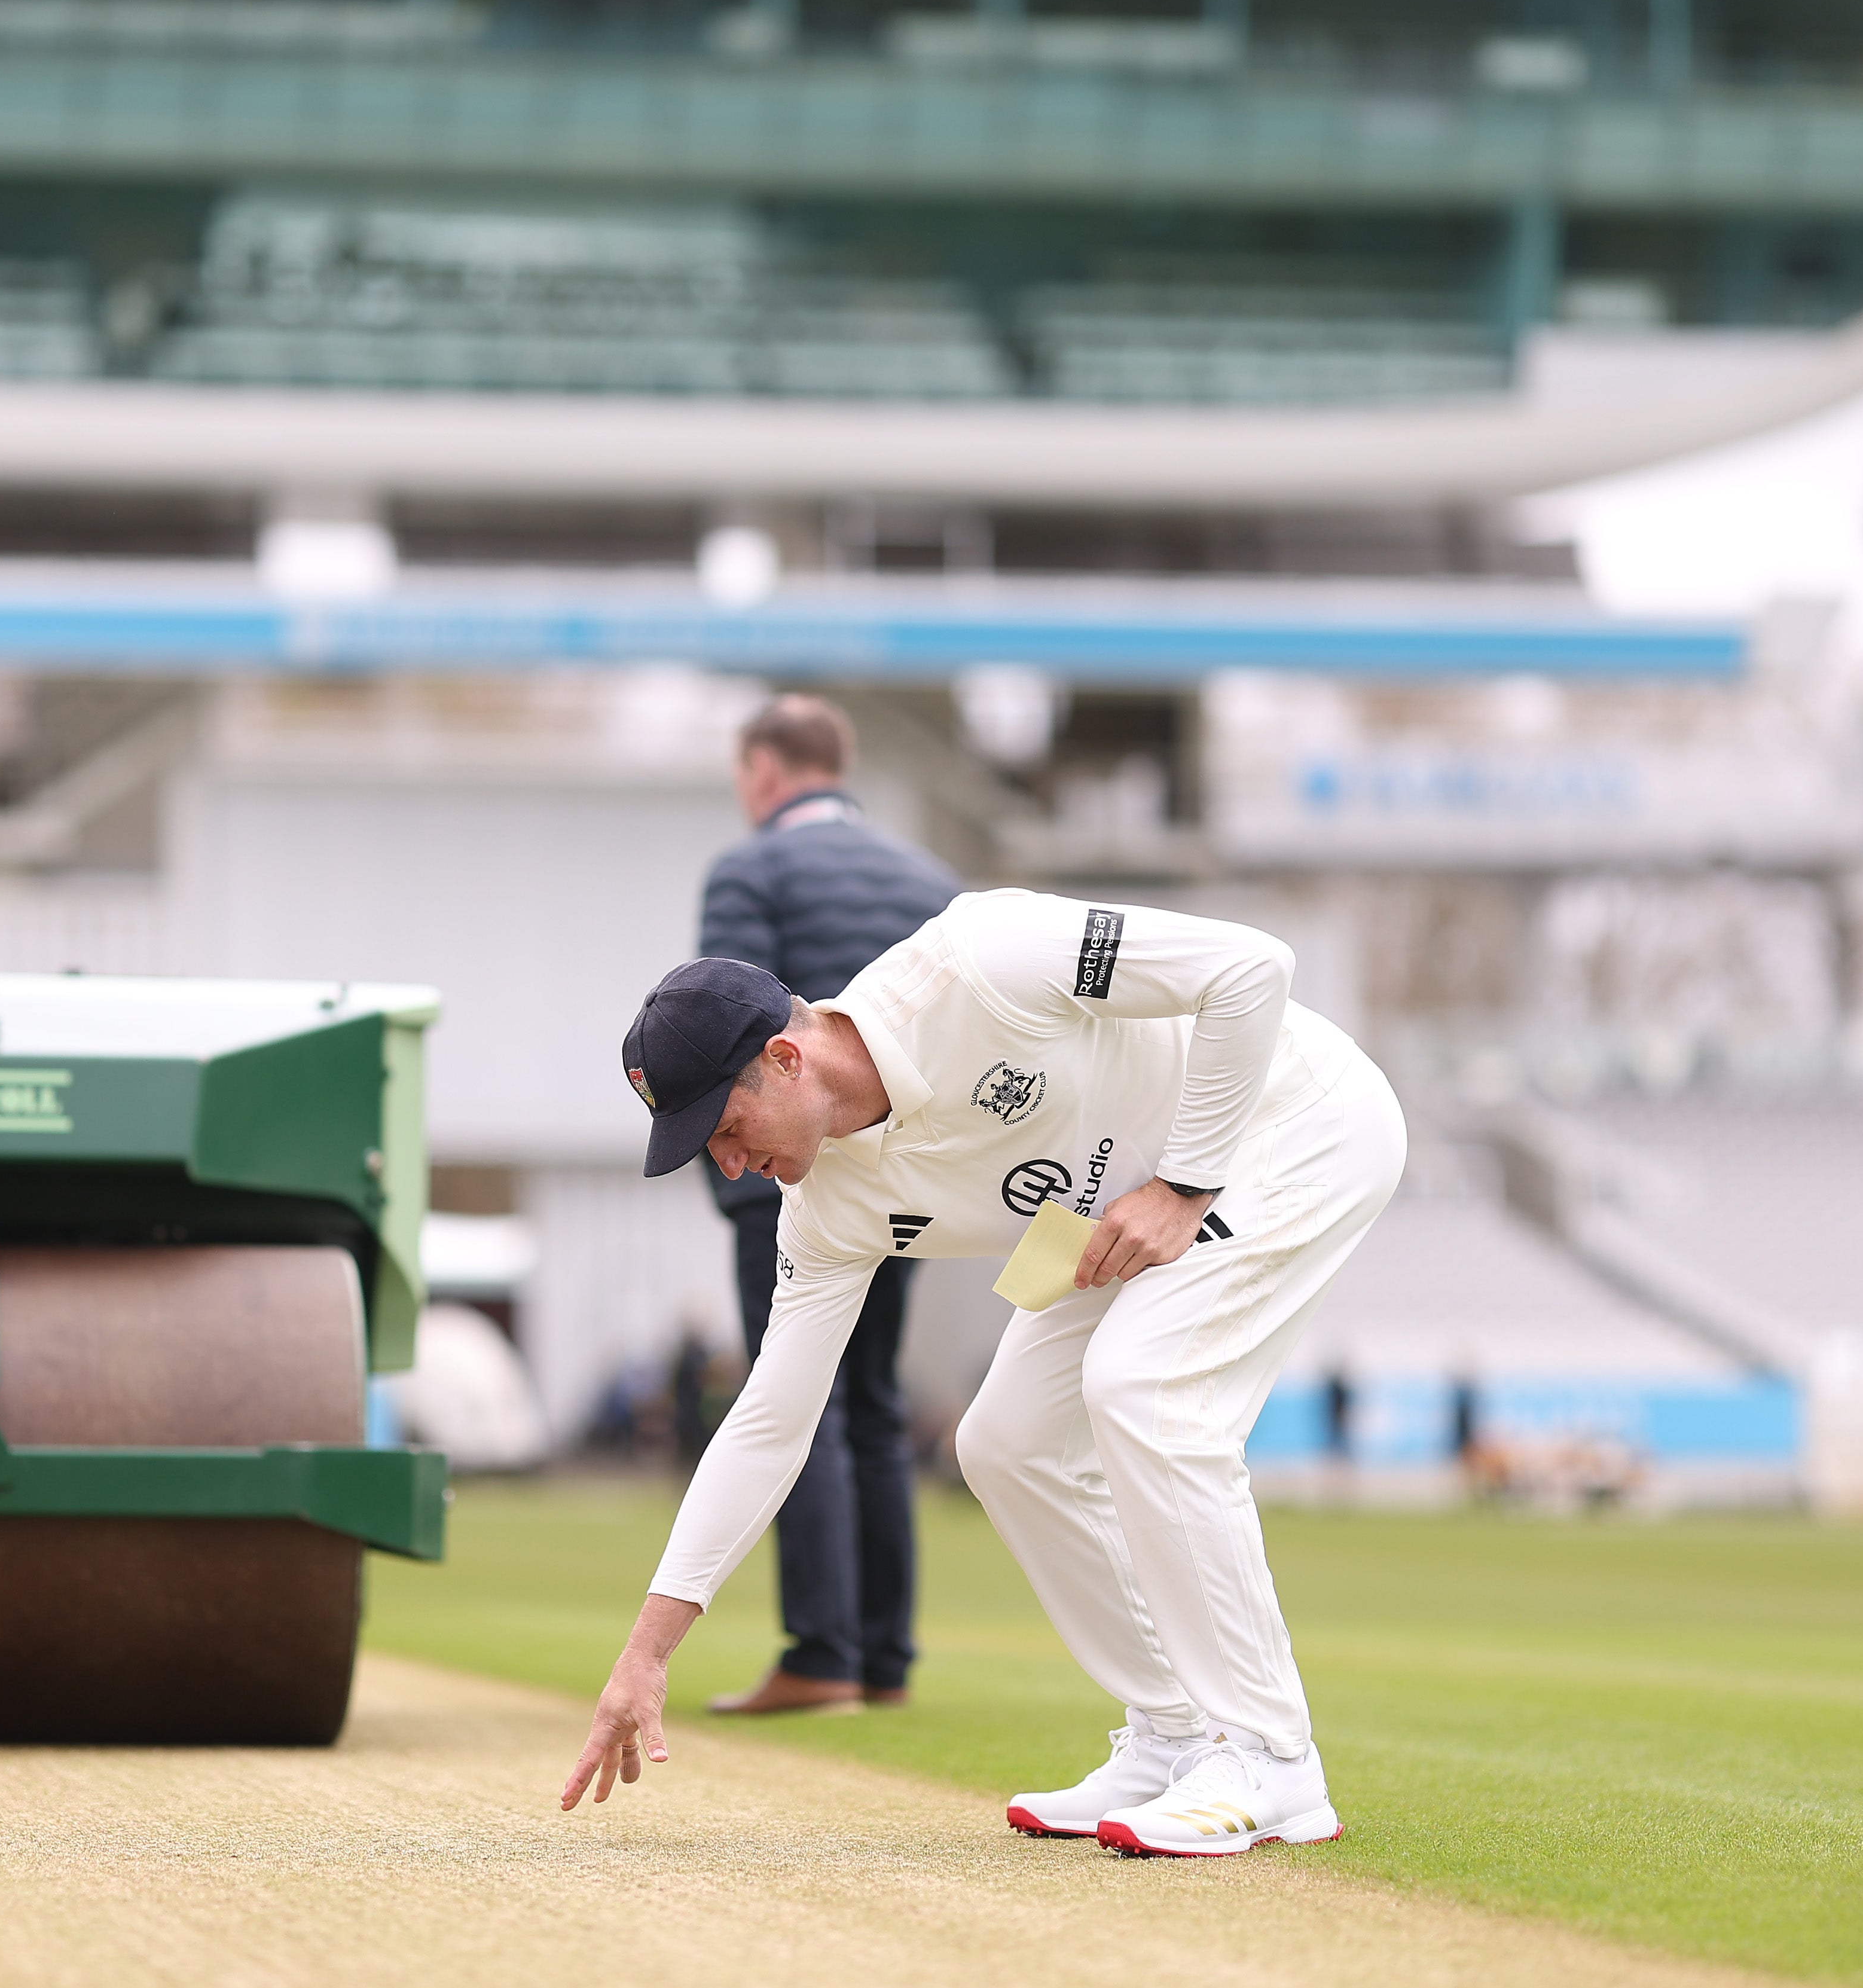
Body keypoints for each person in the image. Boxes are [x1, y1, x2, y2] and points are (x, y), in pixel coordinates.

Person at [571, 891, 1406, 1856]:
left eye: (721, 1125)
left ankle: (1271, 1757)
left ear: (785, 1057)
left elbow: (1250, 967)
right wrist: (646, 1652)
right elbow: (770, 1421)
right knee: (1004, 1443)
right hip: (1106, 1208)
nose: (724, 1165)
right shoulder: (824, 1207)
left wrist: (1185, 1181)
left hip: (1291, 1124)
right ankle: (1175, 1731)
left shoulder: (981, 957)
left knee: (1141, 1388)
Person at [694, 695, 957, 1715]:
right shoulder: (928, 878)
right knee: (877, 1403)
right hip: (910, 1173)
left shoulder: (749, 869)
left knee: (799, 1397)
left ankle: (821, 1650)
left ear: (762, 770)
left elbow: (725, 1025)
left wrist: (731, 1191)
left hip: (793, 1167)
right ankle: (884, 1654)